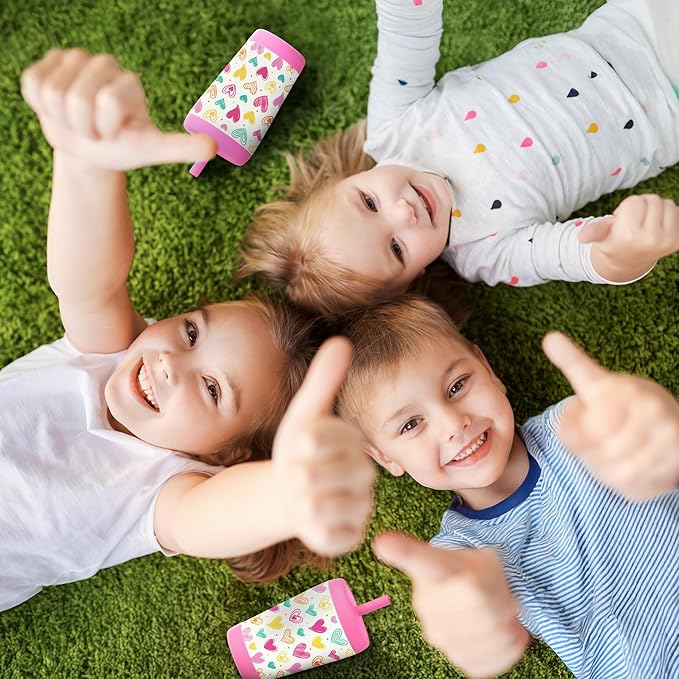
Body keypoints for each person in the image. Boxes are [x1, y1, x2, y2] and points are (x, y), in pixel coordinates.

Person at [0, 48, 375, 612]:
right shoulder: (108, 356)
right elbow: (89, 283)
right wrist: (87, 166)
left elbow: (211, 520)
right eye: (192, 334)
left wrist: (288, 492)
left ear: (226, 456)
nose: (172, 362)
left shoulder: (164, 489)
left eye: (213, 389)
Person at [237, 0, 679, 315]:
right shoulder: (484, 252)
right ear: (413, 278)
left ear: (342, 178)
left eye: (369, 202)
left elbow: (407, 34)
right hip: (667, 117)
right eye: (396, 248)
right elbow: (569, 254)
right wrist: (622, 253)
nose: (404, 212)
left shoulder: (394, 128)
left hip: (628, 24)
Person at [335, 295, 679, 678]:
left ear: (488, 370)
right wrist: (470, 613)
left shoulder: (572, 426)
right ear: (385, 457)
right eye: (411, 425)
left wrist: (650, 427)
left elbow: (635, 429)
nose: (453, 424)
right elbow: (461, 591)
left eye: (457, 386)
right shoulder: (459, 549)